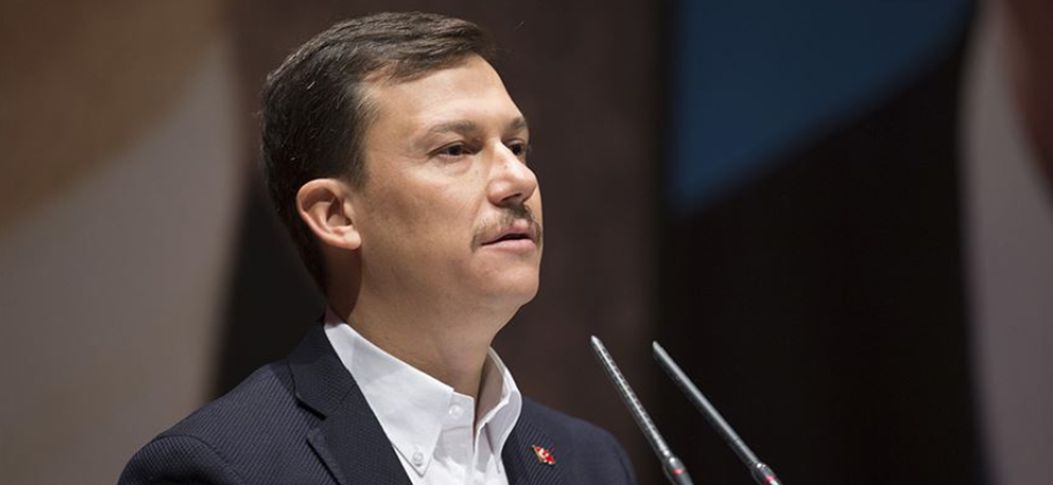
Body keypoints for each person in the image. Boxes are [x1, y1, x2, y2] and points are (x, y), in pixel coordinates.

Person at [119, 11, 637, 485]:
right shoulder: (221, 468)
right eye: (455, 149)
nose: (519, 179)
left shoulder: (591, 463)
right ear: (336, 215)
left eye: (517, 146)